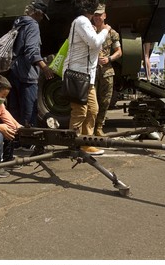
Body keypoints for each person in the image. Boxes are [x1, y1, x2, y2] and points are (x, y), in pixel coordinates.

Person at [62, 0, 111, 155]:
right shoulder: (81, 21)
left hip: (86, 76)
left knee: (92, 110)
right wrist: (105, 30)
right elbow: (94, 42)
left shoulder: (85, 23)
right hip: (77, 74)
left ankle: (86, 142)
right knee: (80, 112)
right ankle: (74, 143)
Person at [8, 0, 54, 130]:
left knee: (14, 108)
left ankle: (15, 140)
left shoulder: (18, 22)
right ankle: (29, 142)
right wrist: (44, 67)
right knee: (29, 108)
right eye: (41, 16)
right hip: (26, 73)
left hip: (13, 70)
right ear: (37, 13)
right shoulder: (32, 25)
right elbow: (31, 50)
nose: (41, 19)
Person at [93, 3, 122, 136]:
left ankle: (99, 126)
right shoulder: (89, 30)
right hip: (92, 71)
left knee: (104, 100)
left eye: (99, 15)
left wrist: (109, 59)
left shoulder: (112, 33)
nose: (97, 17)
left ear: (104, 16)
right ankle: (90, 126)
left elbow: (119, 52)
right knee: (91, 101)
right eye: (95, 15)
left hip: (106, 72)